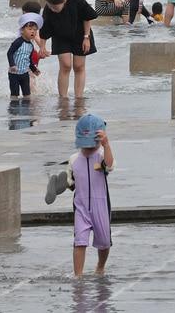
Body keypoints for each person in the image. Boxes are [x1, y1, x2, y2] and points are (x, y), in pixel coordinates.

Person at [61, 114, 114, 276]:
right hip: (81, 207)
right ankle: (78, 275)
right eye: (86, 146)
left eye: (93, 145)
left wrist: (107, 145)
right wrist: (66, 184)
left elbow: (110, 165)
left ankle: (100, 266)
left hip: (101, 206)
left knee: (104, 243)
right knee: (79, 242)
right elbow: (71, 183)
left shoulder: (101, 156)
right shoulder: (74, 159)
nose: (89, 149)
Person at [40, 0, 98, 100]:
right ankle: (63, 98)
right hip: (60, 35)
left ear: (64, 1)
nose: (52, 9)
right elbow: (45, 29)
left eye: (55, 7)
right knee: (65, 65)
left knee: (79, 66)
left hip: (80, 33)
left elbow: (87, 17)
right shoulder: (48, 8)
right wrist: (42, 46)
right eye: (50, 6)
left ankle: (79, 97)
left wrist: (86, 37)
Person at [7, 9, 44, 98]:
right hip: (14, 74)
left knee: (27, 95)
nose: (33, 31)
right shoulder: (18, 42)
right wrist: (12, 65)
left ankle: (26, 110)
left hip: (24, 74)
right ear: (22, 30)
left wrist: (34, 70)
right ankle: (14, 110)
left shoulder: (31, 46)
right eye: (30, 29)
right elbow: (9, 53)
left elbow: (29, 61)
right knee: (14, 95)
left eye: (35, 30)